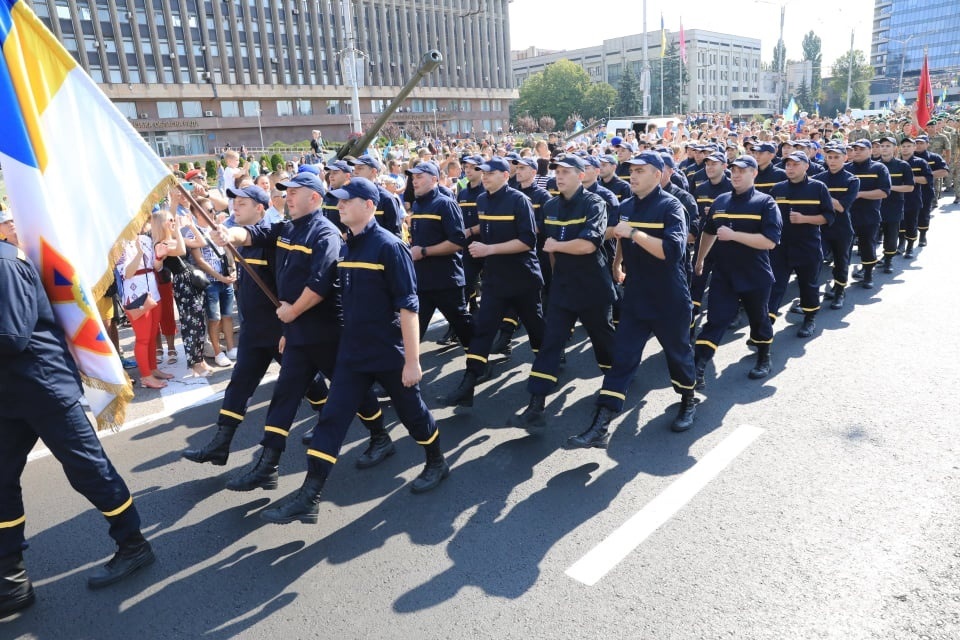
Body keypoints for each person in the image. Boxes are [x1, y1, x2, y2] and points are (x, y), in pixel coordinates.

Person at [258, 178, 449, 524]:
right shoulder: (346, 247)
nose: (340, 205)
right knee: (331, 419)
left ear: (369, 206)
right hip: (351, 353)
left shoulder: (390, 247)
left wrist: (412, 361)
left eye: (348, 200)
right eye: (339, 200)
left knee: (413, 414)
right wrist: (291, 330)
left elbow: (409, 308)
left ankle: (436, 460)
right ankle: (309, 496)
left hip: (388, 352)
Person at [0, 208, 154, 614]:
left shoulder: (4, 263)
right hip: (9, 395)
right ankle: (11, 578)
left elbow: (12, 336)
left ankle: (133, 543)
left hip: (44, 386)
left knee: (87, 470)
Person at [212, 171, 388, 492]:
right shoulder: (286, 229)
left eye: (295, 192)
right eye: (286, 192)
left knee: (353, 390)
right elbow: (254, 235)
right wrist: (231, 236)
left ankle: (380, 436)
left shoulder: (326, 234)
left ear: (315, 198)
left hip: (326, 333)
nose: (287, 197)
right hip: (296, 335)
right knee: (284, 398)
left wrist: (291, 311)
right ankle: (268, 466)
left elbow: (319, 284)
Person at [568, 152, 699, 448]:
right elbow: (620, 236)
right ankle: (600, 424)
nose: (634, 176)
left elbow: (672, 252)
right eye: (632, 170)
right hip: (637, 295)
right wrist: (617, 261)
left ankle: (688, 400)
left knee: (677, 354)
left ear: (657, 174)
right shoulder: (625, 206)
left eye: (641, 170)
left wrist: (635, 233)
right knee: (623, 359)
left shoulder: (671, 206)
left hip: (669, 295)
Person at [509, 154, 615, 429]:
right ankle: (536, 403)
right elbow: (549, 247)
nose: (559, 175)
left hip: (592, 286)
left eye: (567, 172)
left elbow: (589, 245)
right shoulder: (551, 205)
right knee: (550, 343)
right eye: (557, 171)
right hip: (564, 287)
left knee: (603, 342)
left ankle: (614, 386)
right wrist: (556, 274)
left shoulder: (595, 203)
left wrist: (556, 247)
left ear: (581, 176)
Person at [439, 157, 545, 410]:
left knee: (536, 330)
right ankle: (468, 384)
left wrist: (489, 249)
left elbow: (528, 241)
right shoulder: (482, 200)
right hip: (496, 279)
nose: (483, 176)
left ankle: (541, 389)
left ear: (505, 176)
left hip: (523, 278)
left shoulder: (519, 200)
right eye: (481, 172)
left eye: (490, 173)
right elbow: (486, 236)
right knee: (483, 330)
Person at [693, 155, 782, 387]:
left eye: (743, 170)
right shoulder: (721, 201)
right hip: (724, 275)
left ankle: (764, 358)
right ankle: (698, 368)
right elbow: (709, 232)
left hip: (755, 274)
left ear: (754, 173)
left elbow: (770, 242)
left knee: (759, 319)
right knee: (715, 321)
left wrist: (734, 236)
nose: (737, 174)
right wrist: (700, 259)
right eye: (733, 170)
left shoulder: (766, 203)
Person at [406, 161, 474, 346]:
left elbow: (457, 242)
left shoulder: (445, 204)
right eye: (413, 178)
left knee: (463, 327)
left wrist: (424, 251)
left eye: (420, 177)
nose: (414, 181)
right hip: (423, 282)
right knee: (413, 330)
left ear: (434, 179)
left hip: (446, 281)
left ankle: (478, 364)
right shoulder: (418, 206)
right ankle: (401, 373)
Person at [767, 152, 834, 337]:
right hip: (781, 248)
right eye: (787, 164)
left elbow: (829, 217)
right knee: (775, 287)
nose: (790, 168)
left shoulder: (818, 188)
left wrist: (805, 219)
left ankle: (809, 318)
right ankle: (764, 329)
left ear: (806, 166)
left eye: (795, 164)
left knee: (808, 286)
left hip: (808, 246)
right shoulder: (777, 189)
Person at [117, 226, 172, 389]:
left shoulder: (146, 239)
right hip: (135, 297)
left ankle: (153, 368)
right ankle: (146, 376)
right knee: (143, 338)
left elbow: (155, 266)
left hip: (153, 292)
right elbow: (126, 273)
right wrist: (139, 253)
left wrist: (160, 257)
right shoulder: (118, 245)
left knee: (153, 333)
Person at [814, 145, 860, 309]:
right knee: (814, 261)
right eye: (829, 157)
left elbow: (841, 206)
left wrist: (823, 194)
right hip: (821, 227)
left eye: (836, 157)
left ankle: (840, 291)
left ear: (845, 158)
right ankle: (810, 297)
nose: (832, 161)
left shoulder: (852, 180)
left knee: (841, 263)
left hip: (841, 228)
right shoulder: (818, 178)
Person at [846, 140, 890, 290]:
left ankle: (868, 275)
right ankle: (839, 284)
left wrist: (858, 194)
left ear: (870, 150)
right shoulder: (845, 169)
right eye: (854, 148)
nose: (857, 151)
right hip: (846, 216)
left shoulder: (878, 168)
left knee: (867, 247)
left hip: (868, 215)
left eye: (861, 149)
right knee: (843, 251)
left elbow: (884, 192)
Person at [874, 136, 914, 275]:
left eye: (888, 145)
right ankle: (869, 263)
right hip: (875, 205)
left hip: (894, 205)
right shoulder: (874, 165)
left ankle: (888, 260)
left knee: (891, 235)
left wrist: (889, 188)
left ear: (895, 148)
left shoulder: (902, 165)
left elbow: (909, 187)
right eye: (882, 145)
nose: (884, 148)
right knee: (872, 235)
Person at [897, 138, 932, 259]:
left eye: (908, 146)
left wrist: (910, 179)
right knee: (899, 224)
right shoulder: (896, 162)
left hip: (913, 198)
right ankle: (901, 244)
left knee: (911, 224)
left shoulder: (920, 162)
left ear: (914, 148)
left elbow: (928, 179)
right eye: (903, 146)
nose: (905, 148)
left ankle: (910, 246)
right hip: (897, 199)